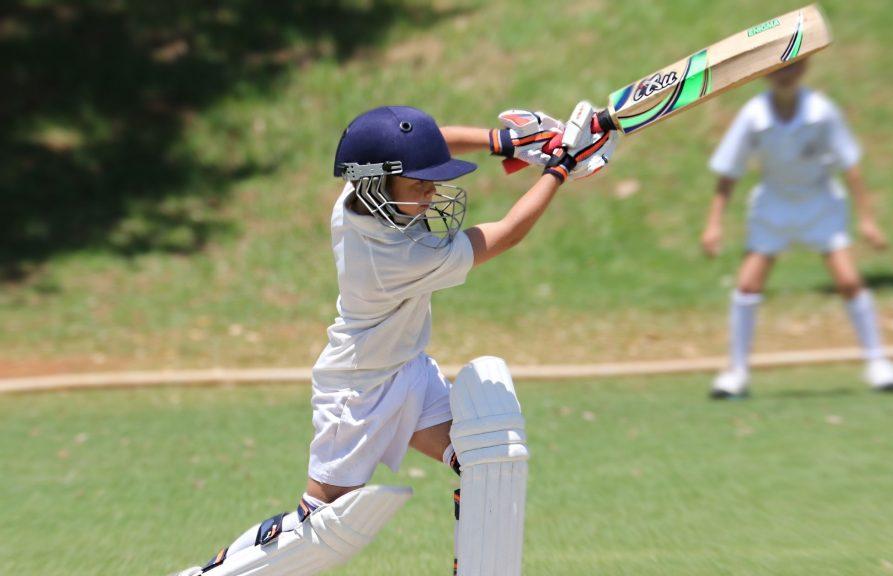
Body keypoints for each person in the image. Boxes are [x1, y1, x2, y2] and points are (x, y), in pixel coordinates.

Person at [170, 105, 616, 575]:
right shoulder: (397, 256)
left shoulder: (360, 189)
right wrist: (559, 168)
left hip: (409, 368)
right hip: (357, 391)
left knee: (489, 462)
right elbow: (505, 234)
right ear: (378, 185)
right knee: (321, 527)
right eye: (419, 185)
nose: (431, 193)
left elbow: (428, 142)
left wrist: (504, 142)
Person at [700, 59, 893, 399]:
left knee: (849, 281)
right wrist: (714, 223)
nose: (784, 76)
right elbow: (729, 171)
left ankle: (878, 363)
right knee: (747, 285)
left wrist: (867, 220)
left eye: (792, 68)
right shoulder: (753, 116)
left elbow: (850, 166)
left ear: (805, 70)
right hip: (773, 205)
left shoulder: (822, 112)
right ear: (763, 73)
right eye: (777, 69)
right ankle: (736, 372)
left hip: (819, 202)